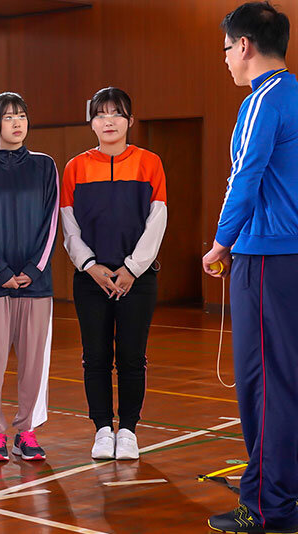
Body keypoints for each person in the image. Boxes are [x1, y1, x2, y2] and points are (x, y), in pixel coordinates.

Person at [203, 3, 298, 533]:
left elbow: (245, 177)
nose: (225, 61)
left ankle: (265, 505)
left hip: (266, 258)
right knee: (289, 380)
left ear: (244, 46)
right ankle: (287, 491)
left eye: (225, 50)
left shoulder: (262, 100)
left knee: (264, 386)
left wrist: (221, 244)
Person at [60, 87, 167, 461]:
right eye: (101, 114)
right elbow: (68, 226)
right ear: (91, 122)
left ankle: (129, 430)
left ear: (130, 121)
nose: (109, 121)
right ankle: (103, 430)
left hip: (137, 280)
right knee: (96, 356)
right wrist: (90, 265)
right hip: (91, 280)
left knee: (132, 357)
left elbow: (157, 219)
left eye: (117, 113)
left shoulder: (149, 163)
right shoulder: (75, 167)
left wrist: (133, 268)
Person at [0, 91, 59, 462]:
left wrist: (34, 270)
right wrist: (0, 271)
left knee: (35, 362)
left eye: (21, 115)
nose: (17, 123)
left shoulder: (45, 165)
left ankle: (27, 431)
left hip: (36, 284)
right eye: (8, 117)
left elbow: (52, 221)